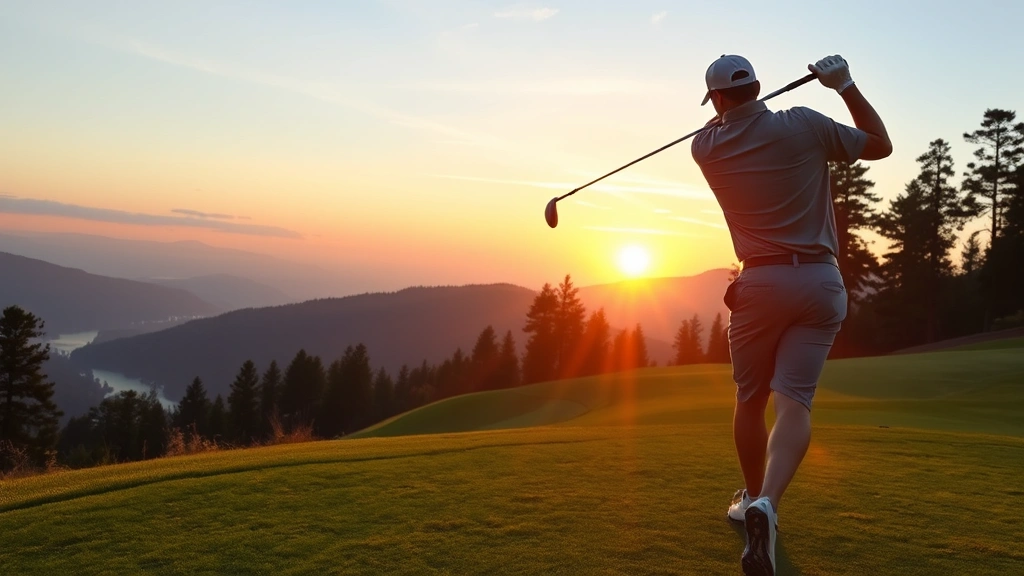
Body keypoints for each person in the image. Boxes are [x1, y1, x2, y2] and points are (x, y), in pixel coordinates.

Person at [690, 54, 891, 576]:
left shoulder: (704, 147)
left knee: (750, 399)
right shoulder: (804, 122)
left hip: (759, 284)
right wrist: (844, 85)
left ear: (716, 99)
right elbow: (879, 144)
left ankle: (750, 496)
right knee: (795, 402)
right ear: (759, 87)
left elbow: (722, 121)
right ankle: (768, 503)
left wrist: (726, 111)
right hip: (820, 281)